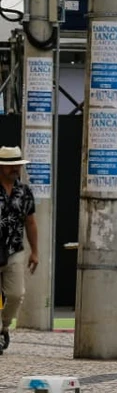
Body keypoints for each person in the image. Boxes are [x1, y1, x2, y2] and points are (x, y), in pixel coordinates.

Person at [0, 146, 37, 352]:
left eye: (17, 165)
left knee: (16, 294)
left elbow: (31, 222)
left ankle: (4, 327)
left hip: (14, 249)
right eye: (10, 165)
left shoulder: (24, 192)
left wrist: (35, 251)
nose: (15, 169)